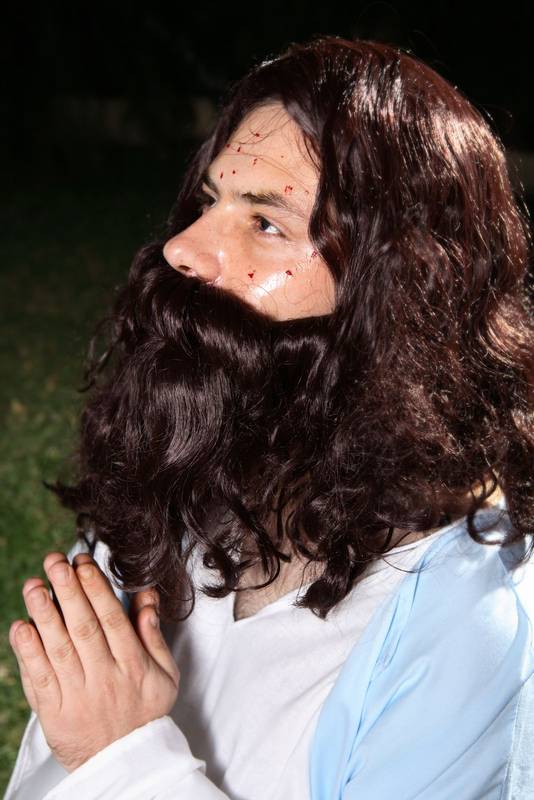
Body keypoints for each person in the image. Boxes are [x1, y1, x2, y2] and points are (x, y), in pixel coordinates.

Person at [5, 35, 534, 799]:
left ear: (395, 298)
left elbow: (97, 757)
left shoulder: (475, 628)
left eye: (266, 225)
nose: (183, 248)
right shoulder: (177, 491)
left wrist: (123, 756)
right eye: (207, 202)